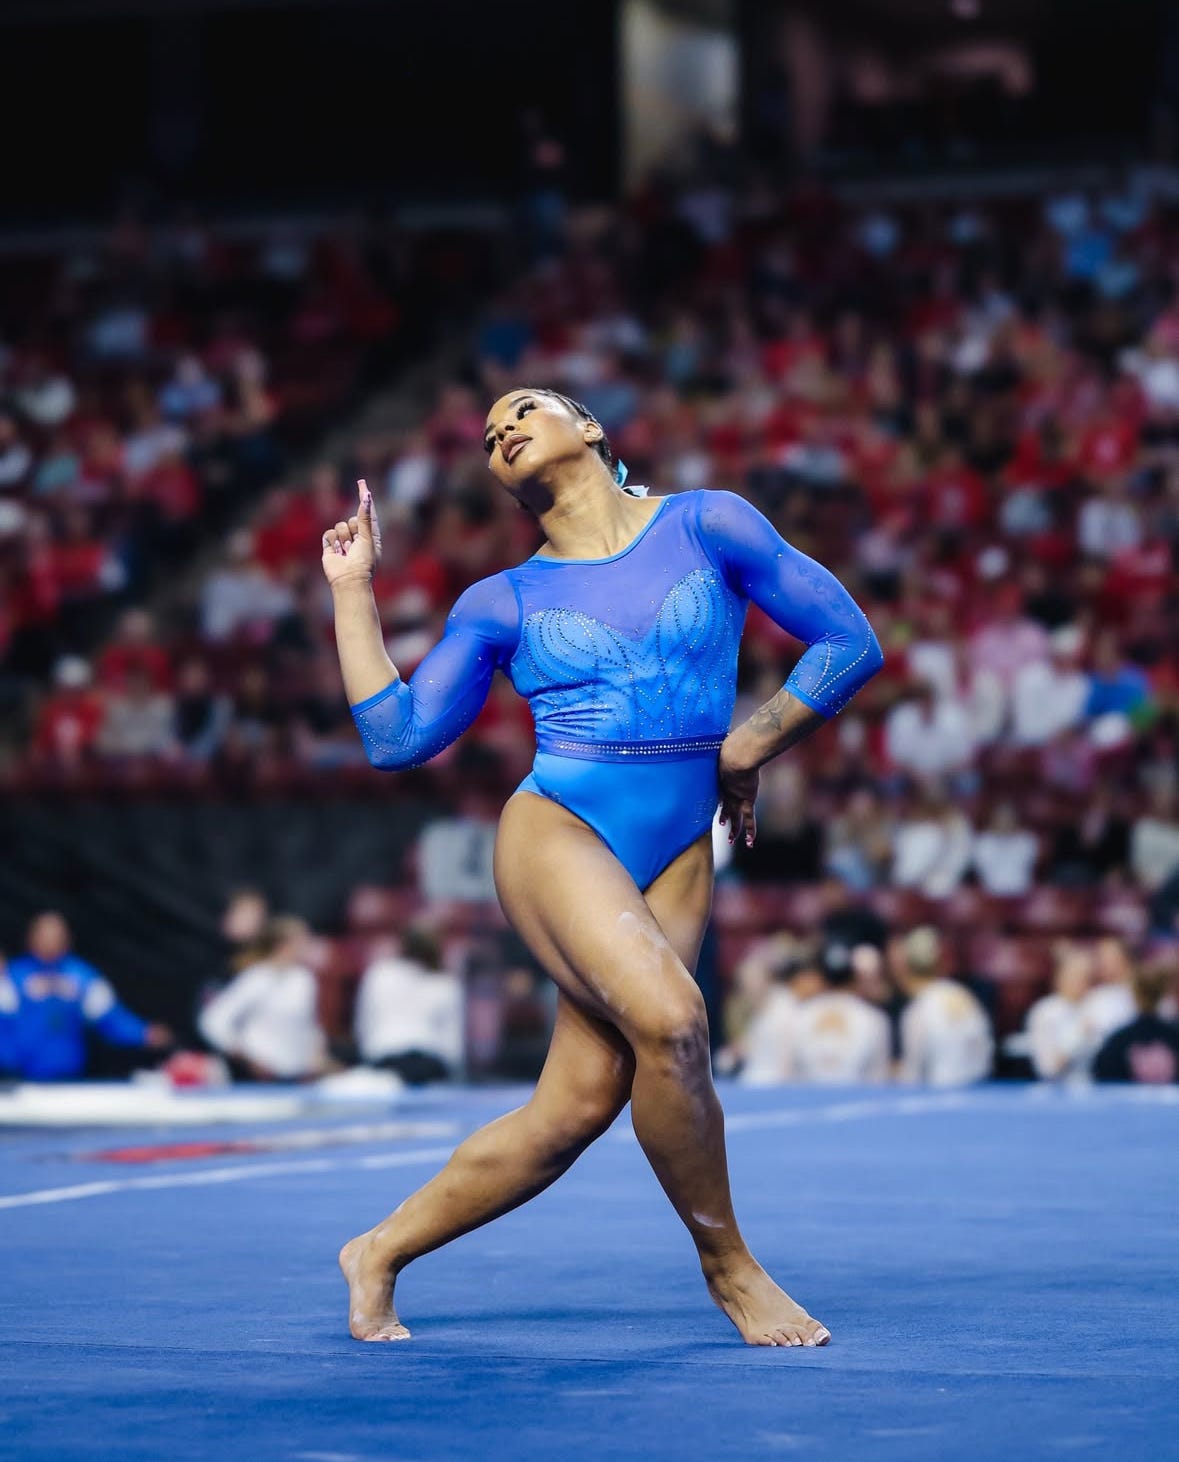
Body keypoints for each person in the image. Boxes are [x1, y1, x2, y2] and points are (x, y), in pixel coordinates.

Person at [322, 386, 882, 1347]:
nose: (503, 427)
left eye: (526, 407)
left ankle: (376, 1250)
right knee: (673, 1021)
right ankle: (731, 1269)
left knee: (573, 1109)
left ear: (589, 426)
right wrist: (351, 592)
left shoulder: (709, 524)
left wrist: (751, 743)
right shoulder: (500, 601)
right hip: (560, 828)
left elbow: (850, 642)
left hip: (676, 846)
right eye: (491, 431)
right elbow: (397, 738)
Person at [0, 911, 172, 1081]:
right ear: (32, 938)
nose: (51, 941)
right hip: (22, 1081)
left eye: (57, 935)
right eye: (45, 935)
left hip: (70, 1077)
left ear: (67, 939)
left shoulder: (81, 976)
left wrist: (142, 1033)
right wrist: (9, 1066)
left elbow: (109, 1016)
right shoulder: (13, 976)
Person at [196, 915, 328, 1081]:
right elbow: (213, 1021)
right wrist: (242, 1055)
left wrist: (316, 1052)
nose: (307, 946)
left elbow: (309, 1025)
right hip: (258, 1075)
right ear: (283, 945)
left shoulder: (303, 979)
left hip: (295, 1074)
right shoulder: (256, 978)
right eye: (302, 941)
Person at [353, 925, 464, 1085]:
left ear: (403, 945)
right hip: (407, 1062)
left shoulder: (380, 973)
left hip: (393, 1059)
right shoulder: (447, 983)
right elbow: (453, 1043)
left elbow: (363, 1026)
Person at [895, 926, 994, 1088]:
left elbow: (912, 1074)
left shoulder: (918, 1010)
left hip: (938, 1092)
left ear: (903, 968)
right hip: (976, 1087)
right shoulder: (963, 995)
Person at [789, 944, 892, 1086]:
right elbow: (878, 1079)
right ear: (853, 977)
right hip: (856, 1102)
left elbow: (789, 1077)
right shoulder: (874, 1019)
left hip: (810, 1102)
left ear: (820, 977)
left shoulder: (798, 1016)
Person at [1092, 959, 1179, 1084]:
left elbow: (1102, 1077)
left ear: (1134, 994)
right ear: (1162, 993)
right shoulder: (1174, 1035)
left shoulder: (1119, 1040)